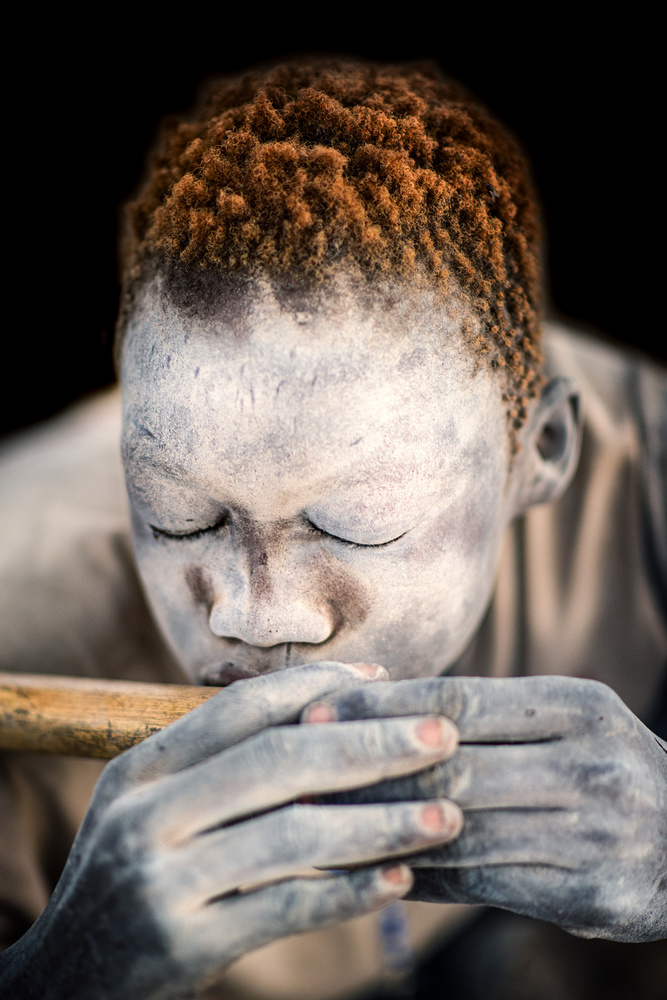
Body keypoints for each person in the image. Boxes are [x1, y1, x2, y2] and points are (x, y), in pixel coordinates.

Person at [0, 58, 665, 999]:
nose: (260, 614)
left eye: (355, 526)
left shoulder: (649, 485)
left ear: (541, 450)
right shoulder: (14, 599)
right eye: (180, 517)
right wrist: (62, 973)